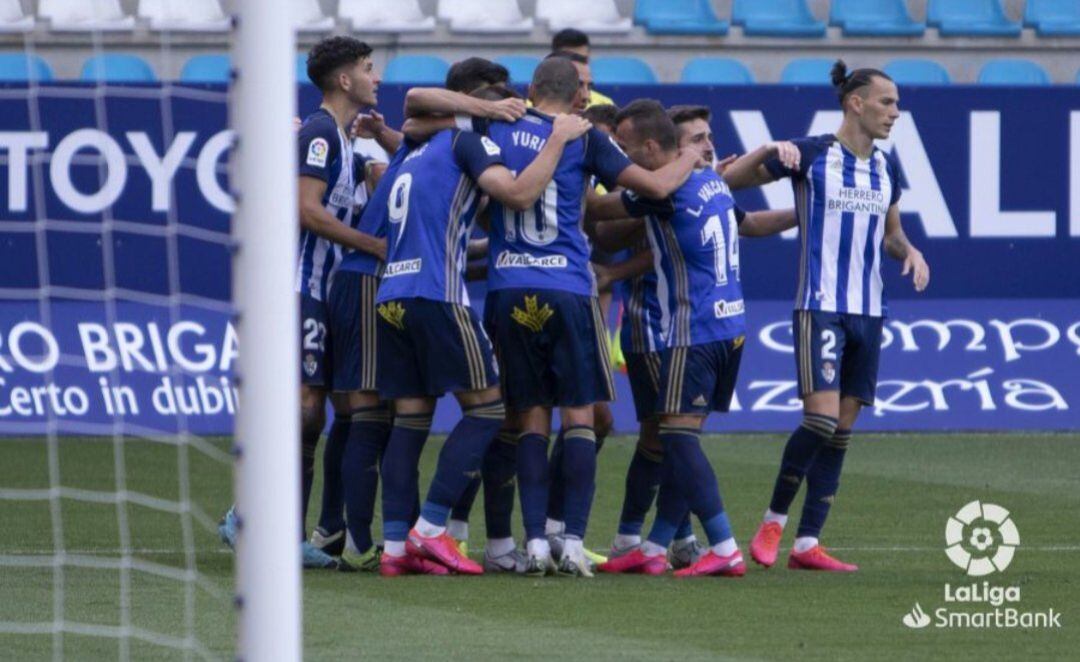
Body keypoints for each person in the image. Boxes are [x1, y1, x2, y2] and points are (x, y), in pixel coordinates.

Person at [482, 59, 701, 577]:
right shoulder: (583, 139)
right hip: (566, 289)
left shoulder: (497, 129)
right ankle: (573, 541)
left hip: (508, 287)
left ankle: (533, 540)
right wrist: (691, 157)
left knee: (530, 415)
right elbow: (656, 188)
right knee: (579, 415)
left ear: (533, 90)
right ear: (576, 97)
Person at [374, 85, 591, 576]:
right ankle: (430, 531)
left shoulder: (418, 145)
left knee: (410, 421)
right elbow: (518, 193)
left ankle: (394, 551)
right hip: (436, 294)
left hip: (391, 294)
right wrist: (555, 139)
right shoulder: (472, 140)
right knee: (490, 408)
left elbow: (411, 108)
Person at [722, 60, 930, 572]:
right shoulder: (811, 155)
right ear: (855, 103)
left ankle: (807, 542)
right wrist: (770, 152)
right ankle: (773, 520)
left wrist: (909, 251)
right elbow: (729, 179)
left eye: (898, 104)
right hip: (820, 305)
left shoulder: (887, 167)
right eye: (887, 102)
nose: (895, 113)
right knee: (818, 418)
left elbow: (891, 231)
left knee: (842, 430)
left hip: (869, 310)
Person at [582, 100, 794, 577]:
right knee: (676, 438)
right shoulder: (713, 181)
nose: (620, 156)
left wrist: (582, 155)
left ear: (653, 147)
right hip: (730, 328)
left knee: (675, 438)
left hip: (690, 330)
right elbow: (743, 224)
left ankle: (721, 546)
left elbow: (596, 209)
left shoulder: (662, 191)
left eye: (626, 148)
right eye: (697, 139)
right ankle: (656, 546)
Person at [549, 29, 615, 107]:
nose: (578, 66)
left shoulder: (604, 105)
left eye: (582, 60)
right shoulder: (533, 108)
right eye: (570, 61)